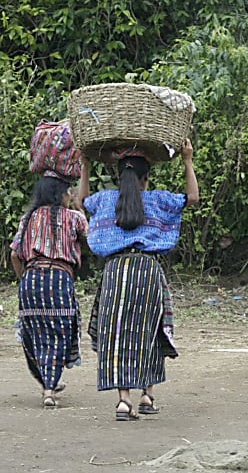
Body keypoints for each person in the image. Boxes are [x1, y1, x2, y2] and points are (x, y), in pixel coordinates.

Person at [78, 139, 199, 421]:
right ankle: (147, 394)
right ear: (147, 177)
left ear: (119, 176)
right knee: (149, 330)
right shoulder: (158, 199)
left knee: (117, 333)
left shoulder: (106, 200)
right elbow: (192, 198)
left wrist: (84, 166)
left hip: (116, 271)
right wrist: (187, 160)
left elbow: (80, 200)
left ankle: (123, 401)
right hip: (147, 270)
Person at [10, 173, 88, 409]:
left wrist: (23, 279)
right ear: (60, 194)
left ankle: (46, 380)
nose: (70, 195)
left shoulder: (29, 218)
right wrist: (79, 207)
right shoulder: (73, 218)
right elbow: (92, 237)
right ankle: (49, 389)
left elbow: (15, 254)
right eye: (68, 192)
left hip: (31, 280)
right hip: (59, 279)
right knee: (59, 332)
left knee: (33, 332)